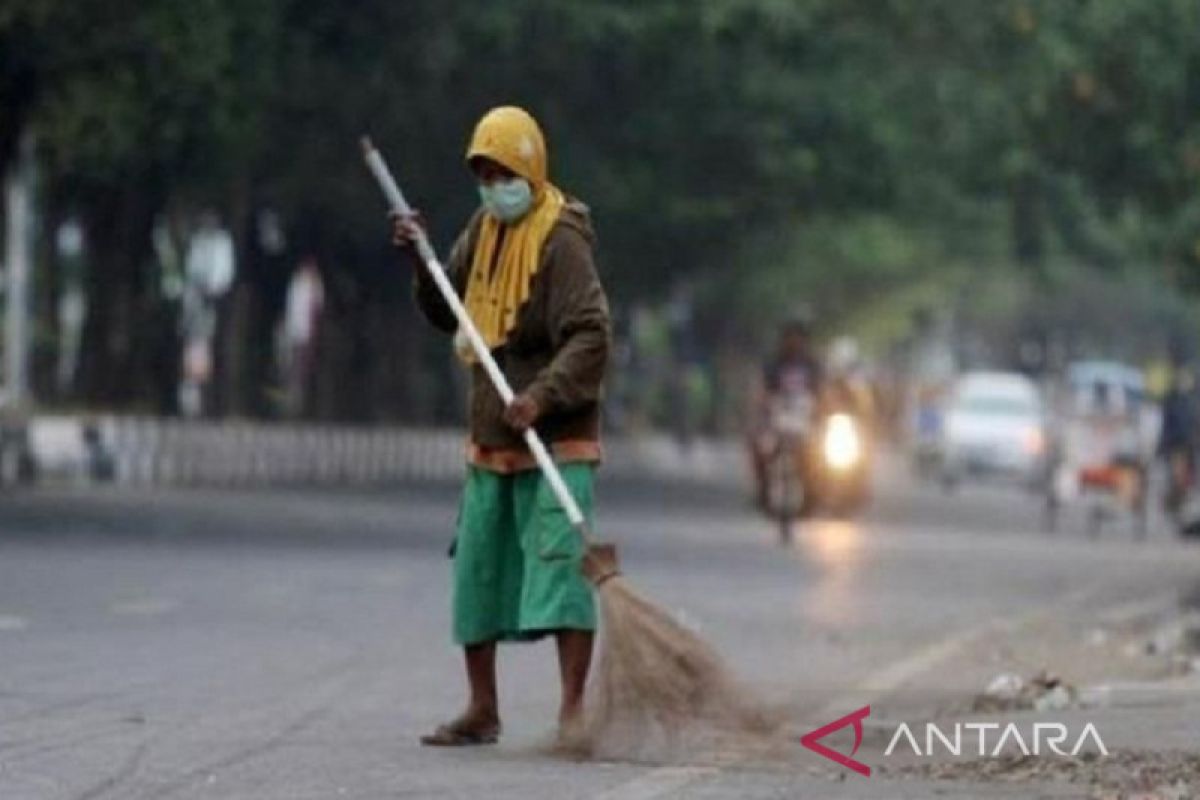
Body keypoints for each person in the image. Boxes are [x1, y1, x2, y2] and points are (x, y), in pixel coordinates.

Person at [391, 106, 611, 747]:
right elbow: (446, 308)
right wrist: (420, 260)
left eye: (503, 172)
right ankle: (482, 708)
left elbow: (592, 333)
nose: (494, 185)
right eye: (484, 174)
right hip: (492, 435)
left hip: (555, 437)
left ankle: (572, 711)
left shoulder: (563, 239)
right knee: (478, 571)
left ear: (531, 169)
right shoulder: (481, 232)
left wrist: (542, 396)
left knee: (563, 566)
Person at [747, 318, 824, 509]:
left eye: (798, 337)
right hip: (777, 413)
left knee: (818, 451)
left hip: (803, 415)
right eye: (790, 337)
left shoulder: (812, 365)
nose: (794, 342)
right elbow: (761, 389)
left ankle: (812, 490)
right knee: (759, 444)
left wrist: (821, 408)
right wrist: (761, 403)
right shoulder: (773, 363)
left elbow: (822, 392)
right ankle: (763, 488)